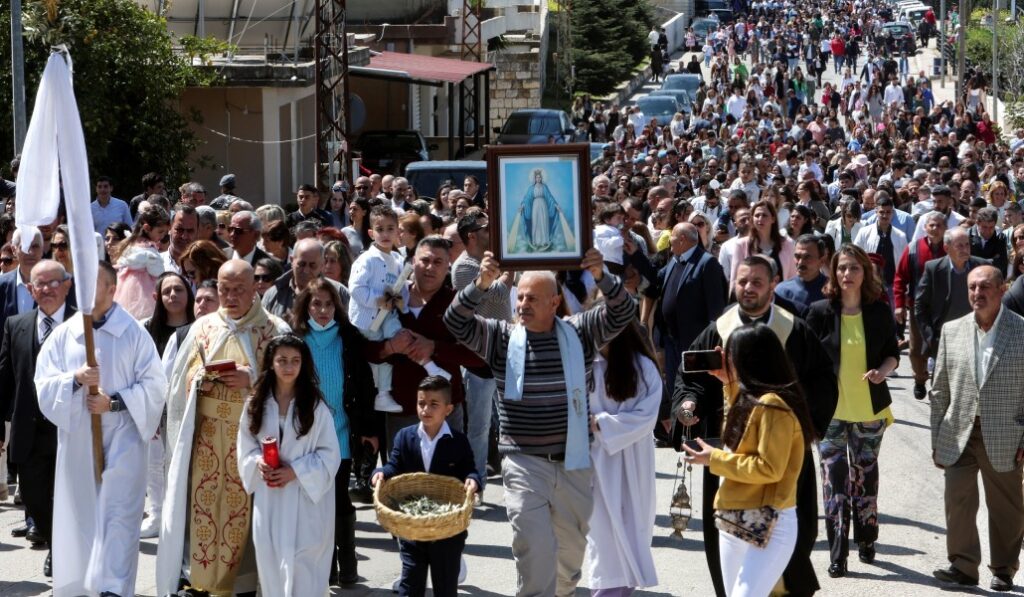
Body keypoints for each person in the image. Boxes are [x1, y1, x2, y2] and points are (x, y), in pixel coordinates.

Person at [444, 248, 635, 596]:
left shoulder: (581, 332)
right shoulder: (500, 337)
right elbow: (454, 321)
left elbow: (625, 310)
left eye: (532, 297)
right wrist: (481, 284)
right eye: (519, 296)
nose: (522, 304)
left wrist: (600, 275)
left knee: (568, 562)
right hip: (523, 462)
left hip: (574, 463)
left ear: (554, 302)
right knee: (534, 550)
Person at [673, 256, 837, 597]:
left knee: (780, 555)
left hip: (772, 460)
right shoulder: (720, 327)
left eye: (756, 282)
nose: (748, 288)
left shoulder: (793, 328)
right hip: (730, 453)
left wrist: (797, 427)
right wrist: (688, 405)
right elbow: (693, 380)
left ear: (773, 283)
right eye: (742, 281)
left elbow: (823, 382)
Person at [157, 260, 291, 596]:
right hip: (205, 440)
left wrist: (253, 379)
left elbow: (293, 384)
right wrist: (198, 378)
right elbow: (177, 384)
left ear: (254, 289)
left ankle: (241, 585)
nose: (230, 297)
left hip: (250, 441)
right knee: (203, 512)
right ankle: (199, 581)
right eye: (223, 289)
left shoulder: (275, 331)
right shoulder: (202, 328)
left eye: (238, 290)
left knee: (242, 516)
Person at [34, 261, 168, 597]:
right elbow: (44, 384)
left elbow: (155, 385)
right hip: (80, 440)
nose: (86, 291)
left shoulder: (133, 333)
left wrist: (115, 403)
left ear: (112, 289)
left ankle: (114, 588)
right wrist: (75, 381)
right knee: (82, 514)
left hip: (123, 441)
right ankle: (79, 585)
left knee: (119, 517)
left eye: (95, 284)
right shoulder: (65, 335)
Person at [681, 324, 814, 597]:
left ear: (751, 360)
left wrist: (714, 459)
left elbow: (769, 468)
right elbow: (738, 442)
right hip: (734, 517)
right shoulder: (749, 399)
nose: (726, 361)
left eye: (732, 356)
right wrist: (728, 385)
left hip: (770, 521)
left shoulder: (773, 406)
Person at [805, 245, 900, 578]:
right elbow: (807, 361)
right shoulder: (818, 311)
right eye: (842, 268)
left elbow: (892, 354)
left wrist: (882, 372)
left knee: (864, 478)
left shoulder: (877, 311)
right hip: (830, 413)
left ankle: (867, 536)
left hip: (869, 410)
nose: (847, 274)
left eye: (854, 268)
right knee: (834, 482)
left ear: (865, 273)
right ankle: (837, 553)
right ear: (833, 271)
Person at [930, 265, 1024, 592]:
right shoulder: (951, 330)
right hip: (959, 432)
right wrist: (937, 437)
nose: (977, 294)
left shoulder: (1021, 331)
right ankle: (962, 566)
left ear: (1002, 289)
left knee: (1006, 507)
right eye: (972, 287)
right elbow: (940, 388)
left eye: (984, 287)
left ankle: (1003, 568)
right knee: (957, 499)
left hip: (1006, 434)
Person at [237, 334, 342, 597]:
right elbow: (245, 446)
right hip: (270, 498)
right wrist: (258, 462)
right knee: (271, 565)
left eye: (295, 360)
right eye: (282, 360)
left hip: (305, 501)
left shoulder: (315, 407)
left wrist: (295, 471)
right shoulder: (256, 404)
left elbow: (330, 455)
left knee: (304, 569)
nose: (288, 367)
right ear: (271, 363)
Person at [291, 278, 377, 586]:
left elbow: (366, 386)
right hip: (309, 433)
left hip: (341, 430)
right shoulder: (297, 339)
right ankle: (324, 567)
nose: (323, 310)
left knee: (339, 496)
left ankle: (348, 563)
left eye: (329, 304)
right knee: (315, 498)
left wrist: (369, 429)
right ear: (306, 306)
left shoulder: (349, 337)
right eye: (316, 304)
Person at [371, 376, 480, 597]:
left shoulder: (457, 440)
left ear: (448, 409)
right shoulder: (405, 437)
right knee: (410, 585)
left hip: (448, 529)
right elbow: (394, 465)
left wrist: (474, 480)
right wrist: (380, 472)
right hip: (413, 528)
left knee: (445, 586)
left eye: (434, 404)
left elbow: (469, 469)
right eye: (421, 403)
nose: (425, 409)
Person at [0, 260, 75, 578]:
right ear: (30, 289)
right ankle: (53, 537)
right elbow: (5, 377)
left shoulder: (82, 325)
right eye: (38, 284)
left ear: (67, 285)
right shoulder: (16, 325)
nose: (45, 289)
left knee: (68, 496)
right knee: (33, 497)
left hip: (70, 429)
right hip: (28, 428)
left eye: (52, 283)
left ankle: (61, 552)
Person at [585, 320, 662, 595]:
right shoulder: (585, 364)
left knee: (631, 530)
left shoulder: (643, 368)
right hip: (595, 462)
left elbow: (647, 416)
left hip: (632, 461)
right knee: (603, 540)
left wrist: (602, 424)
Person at [350, 207, 448, 413]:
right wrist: (378, 301)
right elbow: (356, 290)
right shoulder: (366, 260)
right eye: (380, 229)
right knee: (385, 354)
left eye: (390, 229)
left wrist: (403, 302)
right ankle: (383, 394)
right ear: (371, 233)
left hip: (388, 316)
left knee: (403, 338)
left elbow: (400, 289)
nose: (385, 234)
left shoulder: (396, 260)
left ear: (398, 233)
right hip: (368, 320)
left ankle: (430, 369)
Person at [451, 211, 513, 498]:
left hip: (505, 352)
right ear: (472, 236)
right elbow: (498, 294)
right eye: (486, 228)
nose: (492, 232)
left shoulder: (488, 263)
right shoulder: (464, 268)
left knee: (513, 421)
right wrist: (511, 268)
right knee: (478, 426)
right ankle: (476, 485)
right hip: (478, 358)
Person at [140, 272, 195, 539]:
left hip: (189, 408)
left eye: (179, 290)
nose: (173, 296)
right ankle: (157, 513)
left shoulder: (199, 327)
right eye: (167, 291)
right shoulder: (146, 329)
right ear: (158, 297)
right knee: (154, 462)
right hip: (155, 408)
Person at [648, 222, 727, 400]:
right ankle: (678, 424)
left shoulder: (707, 263)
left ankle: (693, 424)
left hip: (694, 344)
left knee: (694, 391)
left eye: (672, 238)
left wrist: (709, 346)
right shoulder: (674, 260)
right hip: (671, 341)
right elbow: (654, 279)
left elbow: (715, 309)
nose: (670, 243)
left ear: (682, 239)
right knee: (675, 389)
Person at [915, 227, 989, 369]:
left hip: (977, 337)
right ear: (947, 248)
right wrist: (930, 337)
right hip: (944, 339)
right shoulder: (933, 269)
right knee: (942, 386)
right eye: (959, 245)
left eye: (967, 244)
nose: (965, 249)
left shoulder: (982, 267)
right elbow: (920, 306)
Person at [894, 211, 947, 399]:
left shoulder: (951, 249)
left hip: (945, 310)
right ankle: (919, 378)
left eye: (939, 225)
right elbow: (900, 278)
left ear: (945, 228)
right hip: (918, 309)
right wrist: (899, 305)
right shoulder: (913, 248)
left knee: (942, 350)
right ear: (925, 227)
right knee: (916, 351)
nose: (935, 228)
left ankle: (938, 385)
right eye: (931, 225)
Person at [262, 237, 350, 318]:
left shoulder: (340, 293)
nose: (306, 270)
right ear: (292, 261)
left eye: (313, 265)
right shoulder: (273, 295)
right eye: (301, 264)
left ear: (322, 265)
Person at [112, 205, 169, 320]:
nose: (163, 236)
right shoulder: (148, 251)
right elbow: (158, 272)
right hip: (144, 292)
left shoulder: (130, 244)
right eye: (160, 231)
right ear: (147, 228)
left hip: (123, 289)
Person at [512, 169, 575, 253]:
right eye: (537, 177)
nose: (538, 179)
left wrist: (556, 206)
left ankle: (544, 241)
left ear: (541, 178)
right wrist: (522, 205)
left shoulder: (544, 187)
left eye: (540, 177)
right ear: (535, 178)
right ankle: (536, 241)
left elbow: (549, 197)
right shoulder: (531, 188)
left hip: (543, 205)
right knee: (536, 222)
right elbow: (527, 198)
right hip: (535, 206)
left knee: (543, 222)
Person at [775, 234, 829, 318]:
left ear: (821, 261)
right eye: (797, 257)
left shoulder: (833, 290)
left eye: (807, 257)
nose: (800, 262)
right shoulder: (782, 291)